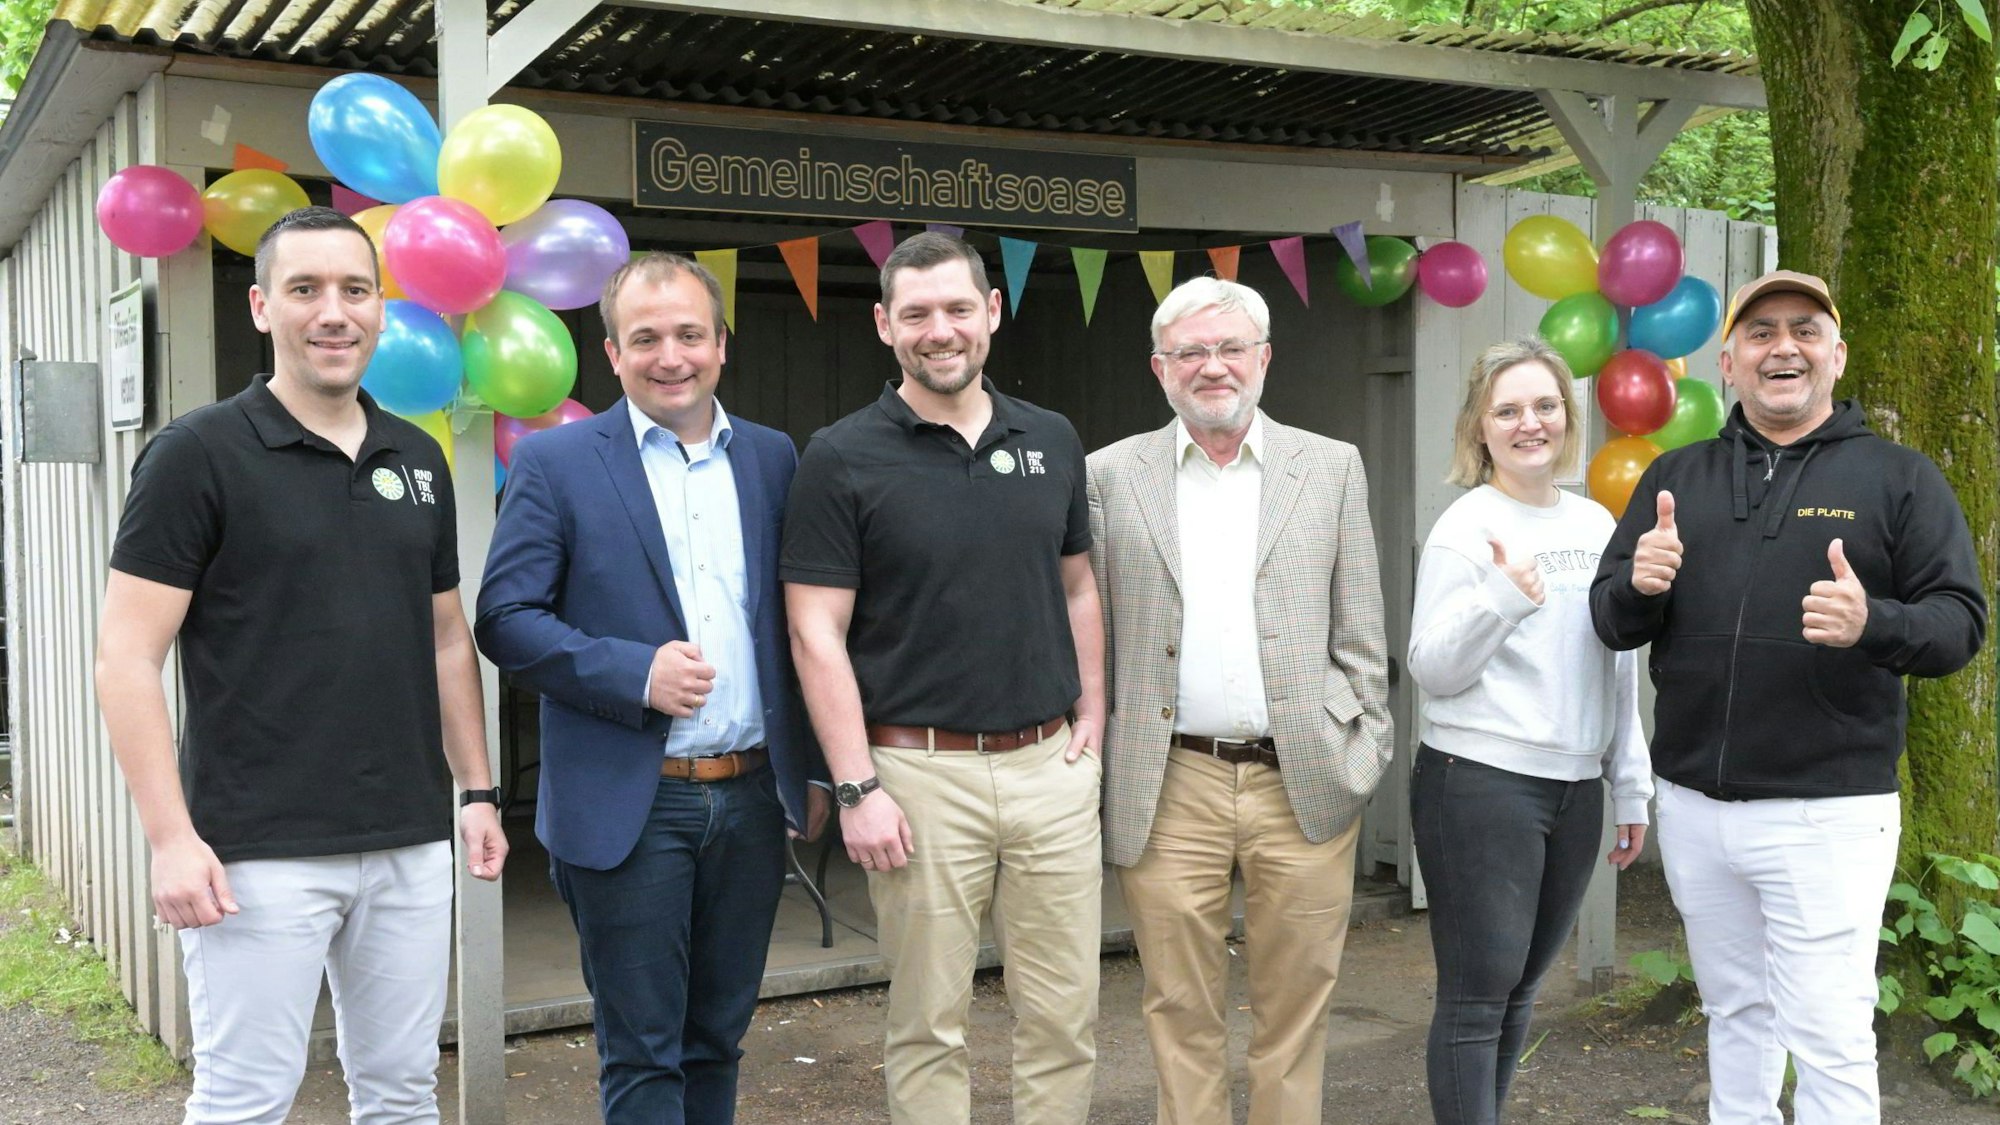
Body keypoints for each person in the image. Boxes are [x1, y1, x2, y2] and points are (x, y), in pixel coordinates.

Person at [93, 206, 506, 1125]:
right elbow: (126, 654)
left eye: (356, 290)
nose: (334, 312)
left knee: (401, 1094)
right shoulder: (196, 455)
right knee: (247, 1102)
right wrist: (171, 838)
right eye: (306, 289)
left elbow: (445, 636)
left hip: (407, 838)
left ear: (380, 309)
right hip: (257, 849)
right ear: (260, 307)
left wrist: (476, 791)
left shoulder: (420, 457)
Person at [1591, 270, 1987, 1125]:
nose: (1784, 347)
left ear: (1835, 356)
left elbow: (1960, 625)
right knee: (1734, 1013)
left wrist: (1873, 621)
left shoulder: (1899, 479)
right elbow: (1610, 617)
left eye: (1805, 330)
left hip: (1827, 812)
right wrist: (1640, 588)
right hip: (1696, 806)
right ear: (1728, 363)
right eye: (1762, 332)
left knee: (1829, 1029)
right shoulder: (1676, 477)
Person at [475, 252, 826, 1124]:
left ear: (721, 344)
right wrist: (633, 672)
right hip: (631, 804)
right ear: (612, 352)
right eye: (646, 339)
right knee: (642, 1053)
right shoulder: (557, 462)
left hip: (749, 796)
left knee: (718, 1039)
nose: (670, 355)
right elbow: (505, 617)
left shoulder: (775, 459)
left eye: (688, 335)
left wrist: (811, 770)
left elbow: (800, 627)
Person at [781, 232, 1105, 1125]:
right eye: (917, 313)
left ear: (991, 314)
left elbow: (1078, 583)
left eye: (959, 308)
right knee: (929, 1023)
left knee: (1065, 1016)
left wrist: (1095, 714)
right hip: (917, 778)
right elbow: (816, 630)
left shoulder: (1052, 438)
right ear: (885, 325)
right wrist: (857, 786)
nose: (941, 330)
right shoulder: (840, 456)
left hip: (1051, 769)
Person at [1085, 275, 1391, 1125]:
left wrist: (1361, 747)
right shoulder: (1108, 476)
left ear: (1262, 358)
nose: (1212, 367)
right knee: (1177, 1003)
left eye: (1229, 348)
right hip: (1168, 777)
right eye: (1191, 352)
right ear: (1160, 368)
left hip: (1303, 774)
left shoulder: (1330, 467)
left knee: (1296, 1006)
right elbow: (1093, 631)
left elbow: (1361, 629)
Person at [1407, 337, 1651, 1125]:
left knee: (1518, 994)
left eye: (1544, 405)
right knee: (1478, 997)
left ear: (1567, 417)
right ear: (1480, 427)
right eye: (1508, 409)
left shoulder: (1595, 520)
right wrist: (1502, 599)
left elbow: (1616, 661)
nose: (1529, 423)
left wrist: (1629, 783)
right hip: (1480, 781)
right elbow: (1431, 667)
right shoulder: (1465, 526)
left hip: (1575, 786)